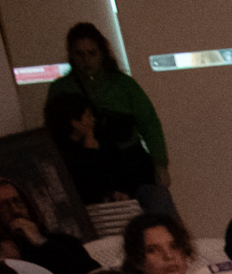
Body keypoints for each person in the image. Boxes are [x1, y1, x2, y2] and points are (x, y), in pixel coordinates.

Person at [57, 22, 168, 195]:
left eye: (91, 53)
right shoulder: (61, 89)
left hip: (130, 164)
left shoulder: (124, 85)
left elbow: (149, 124)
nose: (86, 60)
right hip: (88, 167)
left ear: (102, 53)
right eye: (80, 54)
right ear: (71, 55)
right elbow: (56, 134)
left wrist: (160, 164)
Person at [43, 84, 159, 214]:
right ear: (75, 123)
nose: (93, 120)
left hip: (117, 198)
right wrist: (90, 151)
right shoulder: (61, 153)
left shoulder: (101, 139)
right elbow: (89, 187)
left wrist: (121, 192)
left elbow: (119, 170)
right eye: (88, 116)